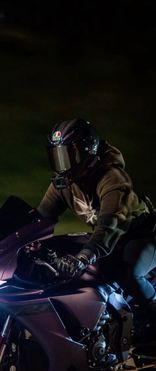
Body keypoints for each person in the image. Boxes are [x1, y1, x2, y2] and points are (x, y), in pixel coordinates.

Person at [37, 118, 156, 321]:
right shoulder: (63, 185)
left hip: (142, 235)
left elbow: (110, 224)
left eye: (68, 155)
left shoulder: (111, 177)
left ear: (86, 152)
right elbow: (40, 218)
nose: (62, 165)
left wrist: (84, 256)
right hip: (112, 239)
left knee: (129, 274)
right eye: (57, 156)